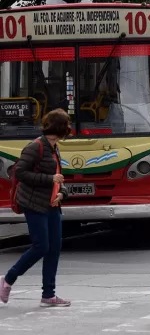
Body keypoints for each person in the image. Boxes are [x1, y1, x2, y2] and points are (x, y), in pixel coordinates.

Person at [0, 109, 71, 307]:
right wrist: (49, 180)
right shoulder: (35, 146)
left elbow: (59, 176)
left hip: (52, 205)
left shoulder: (54, 147)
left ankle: (48, 295)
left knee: (54, 249)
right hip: (34, 204)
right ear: (60, 127)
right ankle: (8, 279)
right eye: (67, 124)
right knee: (41, 246)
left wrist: (62, 193)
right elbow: (19, 172)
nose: (69, 128)